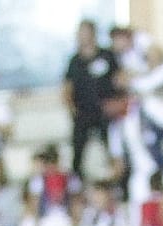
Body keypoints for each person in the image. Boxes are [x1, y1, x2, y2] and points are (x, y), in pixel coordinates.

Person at [63, 21, 120, 180]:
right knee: (78, 150)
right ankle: (76, 181)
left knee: (112, 147)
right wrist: (71, 109)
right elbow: (67, 87)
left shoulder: (107, 56)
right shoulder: (75, 61)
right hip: (83, 112)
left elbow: (118, 78)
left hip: (105, 112)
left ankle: (115, 179)